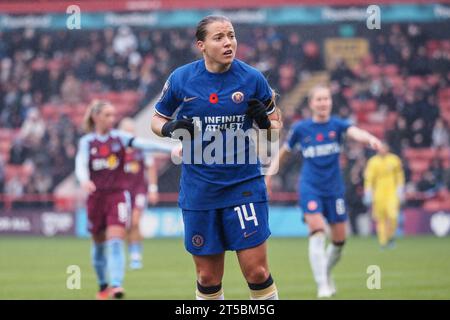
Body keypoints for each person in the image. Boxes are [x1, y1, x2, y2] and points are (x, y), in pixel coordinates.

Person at [150, 15, 282, 300]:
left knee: (257, 272)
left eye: (231, 35)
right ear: (201, 45)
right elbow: (156, 120)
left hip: (243, 186)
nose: (228, 43)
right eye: (219, 37)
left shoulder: (252, 78)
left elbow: (274, 129)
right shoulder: (181, 79)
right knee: (207, 277)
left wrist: (266, 123)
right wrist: (170, 127)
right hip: (201, 190)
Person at [266, 84, 383, 298]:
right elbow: (285, 152)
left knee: (339, 241)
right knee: (318, 231)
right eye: (318, 99)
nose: (322, 103)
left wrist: (370, 139)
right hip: (310, 186)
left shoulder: (338, 125)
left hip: (334, 189)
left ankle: (326, 273)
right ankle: (322, 286)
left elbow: (355, 132)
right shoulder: (301, 129)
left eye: (326, 99)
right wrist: (270, 174)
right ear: (311, 104)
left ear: (330, 102)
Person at [75, 100, 170, 300]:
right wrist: (84, 180)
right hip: (96, 199)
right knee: (99, 246)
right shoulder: (87, 142)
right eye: (108, 115)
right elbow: (81, 164)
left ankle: (117, 285)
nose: (112, 119)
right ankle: (103, 286)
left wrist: (172, 149)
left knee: (116, 240)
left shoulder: (119, 138)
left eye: (113, 115)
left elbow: (146, 144)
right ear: (96, 117)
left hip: (117, 196)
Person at [119, 117, 160, 270]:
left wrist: (153, 189)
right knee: (125, 224)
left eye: (131, 132)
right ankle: (128, 252)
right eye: (126, 132)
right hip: (121, 191)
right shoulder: (117, 148)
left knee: (135, 222)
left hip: (138, 190)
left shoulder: (142, 148)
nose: (129, 135)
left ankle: (136, 256)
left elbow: (150, 167)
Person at [364, 143, 405, 249]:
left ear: (388, 148)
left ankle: (390, 236)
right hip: (378, 193)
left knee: (393, 216)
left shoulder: (394, 159)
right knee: (380, 219)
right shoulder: (373, 161)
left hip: (391, 193)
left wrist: (400, 189)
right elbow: (369, 178)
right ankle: (383, 242)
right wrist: (368, 192)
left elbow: (399, 176)